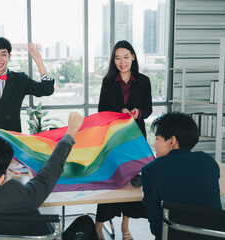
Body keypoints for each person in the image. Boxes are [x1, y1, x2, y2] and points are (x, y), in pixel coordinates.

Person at [0, 112, 99, 240]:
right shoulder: (20, 197)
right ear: (0, 178)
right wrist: (71, 131)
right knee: (85, 222)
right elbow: (50, 171)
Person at [95, 40, 152, 240]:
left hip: (135, 138)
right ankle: (99, 225)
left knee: (131, 182)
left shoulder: (144, 81)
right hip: (114, 138)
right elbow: (101, 111)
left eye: (126, 57)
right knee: (111, 180)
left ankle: (125, 224)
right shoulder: (108, 82)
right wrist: (120, 112)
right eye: (117, 58)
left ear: (133, 57)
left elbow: (148, 108)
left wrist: (138, 112)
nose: (122, 62)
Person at [141, 112, 222, 240]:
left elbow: (157, 229)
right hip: (212, 235)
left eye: (157, 139)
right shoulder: (208, 161)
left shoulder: (151, 170)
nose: (155, 145)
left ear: (172, 141)